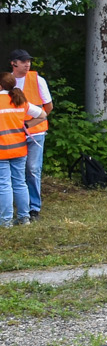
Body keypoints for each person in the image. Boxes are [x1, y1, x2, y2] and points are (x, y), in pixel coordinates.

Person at [10, 50, 50, 221]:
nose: (27, 64)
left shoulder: (38, 80)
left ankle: (34, 208)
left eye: (29, 61)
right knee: (15, 171)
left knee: (32, 169)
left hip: (35, 132)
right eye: (23, 61)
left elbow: (48, 107)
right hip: (13, 134)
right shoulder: (6, 82)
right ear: (13, 63)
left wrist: (29, 125)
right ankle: (18, 206)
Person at [0, 73, 43, 227]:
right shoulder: (19, 100)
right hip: (19, 149)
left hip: (2, 150)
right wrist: (27, 126)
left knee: (4, 184)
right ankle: (24, 218)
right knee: (20, 183)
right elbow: (43, 114)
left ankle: (6, 221)